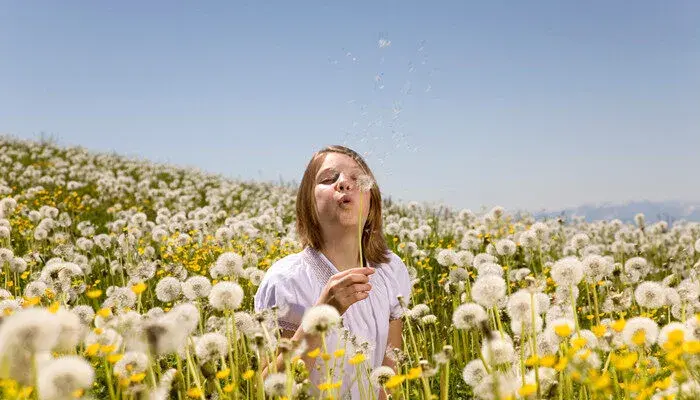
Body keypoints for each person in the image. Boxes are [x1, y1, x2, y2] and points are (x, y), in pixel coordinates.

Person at [254, 145, 412, 400]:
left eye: (357, 179)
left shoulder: (391, 270)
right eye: (329, 179)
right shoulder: (285, 280)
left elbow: (389, 373)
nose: (344, 184)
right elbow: (267, 389)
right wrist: (322, 316)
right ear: (308, 203)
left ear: (372, 204)